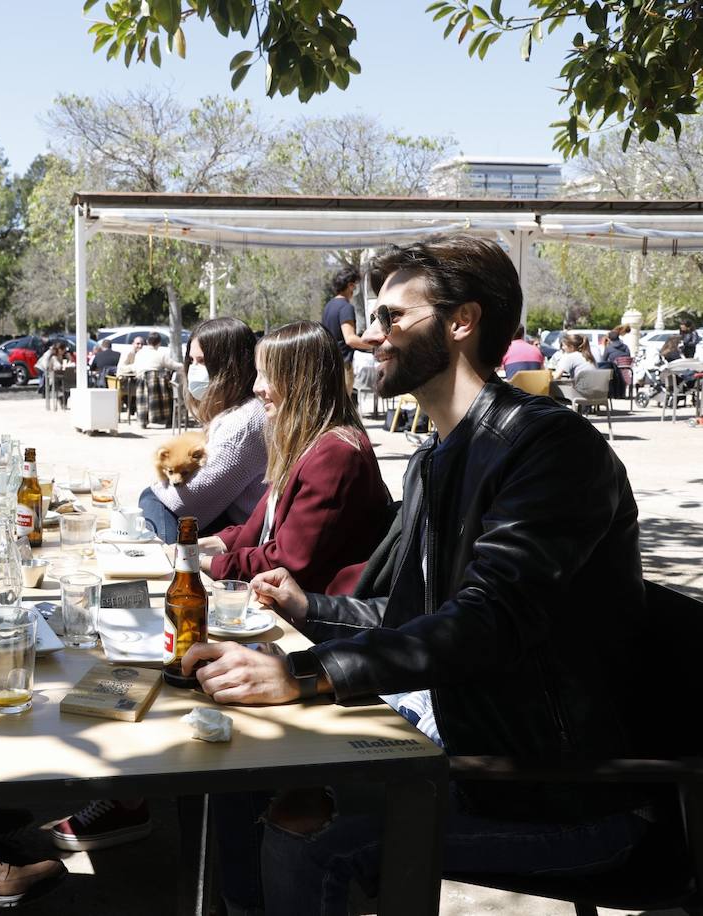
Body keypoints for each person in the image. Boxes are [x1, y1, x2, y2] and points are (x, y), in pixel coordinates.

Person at [186, 236, 651, 915]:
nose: (370, 338)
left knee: (309, 836)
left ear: (461, 321)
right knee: (235, 767)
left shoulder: (550, 450)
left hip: (558, 792)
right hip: (463, 746)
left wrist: (308, 671)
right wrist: (308, 605)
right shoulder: (438, 456)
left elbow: (488, 622)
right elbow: (411, 617)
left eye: (392, 318)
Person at [197, 320, 390, 595]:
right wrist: (206, 544)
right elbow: (261, 527)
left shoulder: (336, 453)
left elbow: (288, 560)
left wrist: (208, 564)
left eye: (267, 375)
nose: (256, 387)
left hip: (312, 615)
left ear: (300, 381)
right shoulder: (311, 442)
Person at [138, 317, 269, 539]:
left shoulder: (244, 423)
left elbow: (188, 500)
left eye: (202, 361)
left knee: (151, 499)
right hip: (234, 519)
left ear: (230, 365)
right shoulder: (237, 412)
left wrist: (155, 487)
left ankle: (176, 568)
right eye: (191, 361)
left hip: (247, 533)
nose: (194, 370)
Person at [320, 265, 371, 395]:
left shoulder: (328, 306)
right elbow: (350, 339)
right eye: (355, 284)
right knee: (344, 403)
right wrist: (374, 345)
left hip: (329, 362)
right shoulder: (346, 307)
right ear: (350, 285)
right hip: (343, 365)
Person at [598, 325, 633, 398]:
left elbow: (604, 360)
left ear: (610, 339)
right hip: (626, 369)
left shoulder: (609, 348)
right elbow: (628, 357)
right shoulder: (626, 347)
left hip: (614, 371)